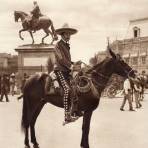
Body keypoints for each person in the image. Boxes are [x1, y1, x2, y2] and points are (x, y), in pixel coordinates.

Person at [45, 24, 81, 124]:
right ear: (62, 34)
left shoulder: (66, 45)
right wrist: (71, 66)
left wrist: (74, 63)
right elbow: (60, 59)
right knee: (67, 89)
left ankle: (75, 111)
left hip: (66, 71)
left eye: (69, 34)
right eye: (66, 34)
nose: (69, 35)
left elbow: (67, 60)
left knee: (75, 87)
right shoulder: (57, 45)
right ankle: (67, 117)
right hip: (59, 70)